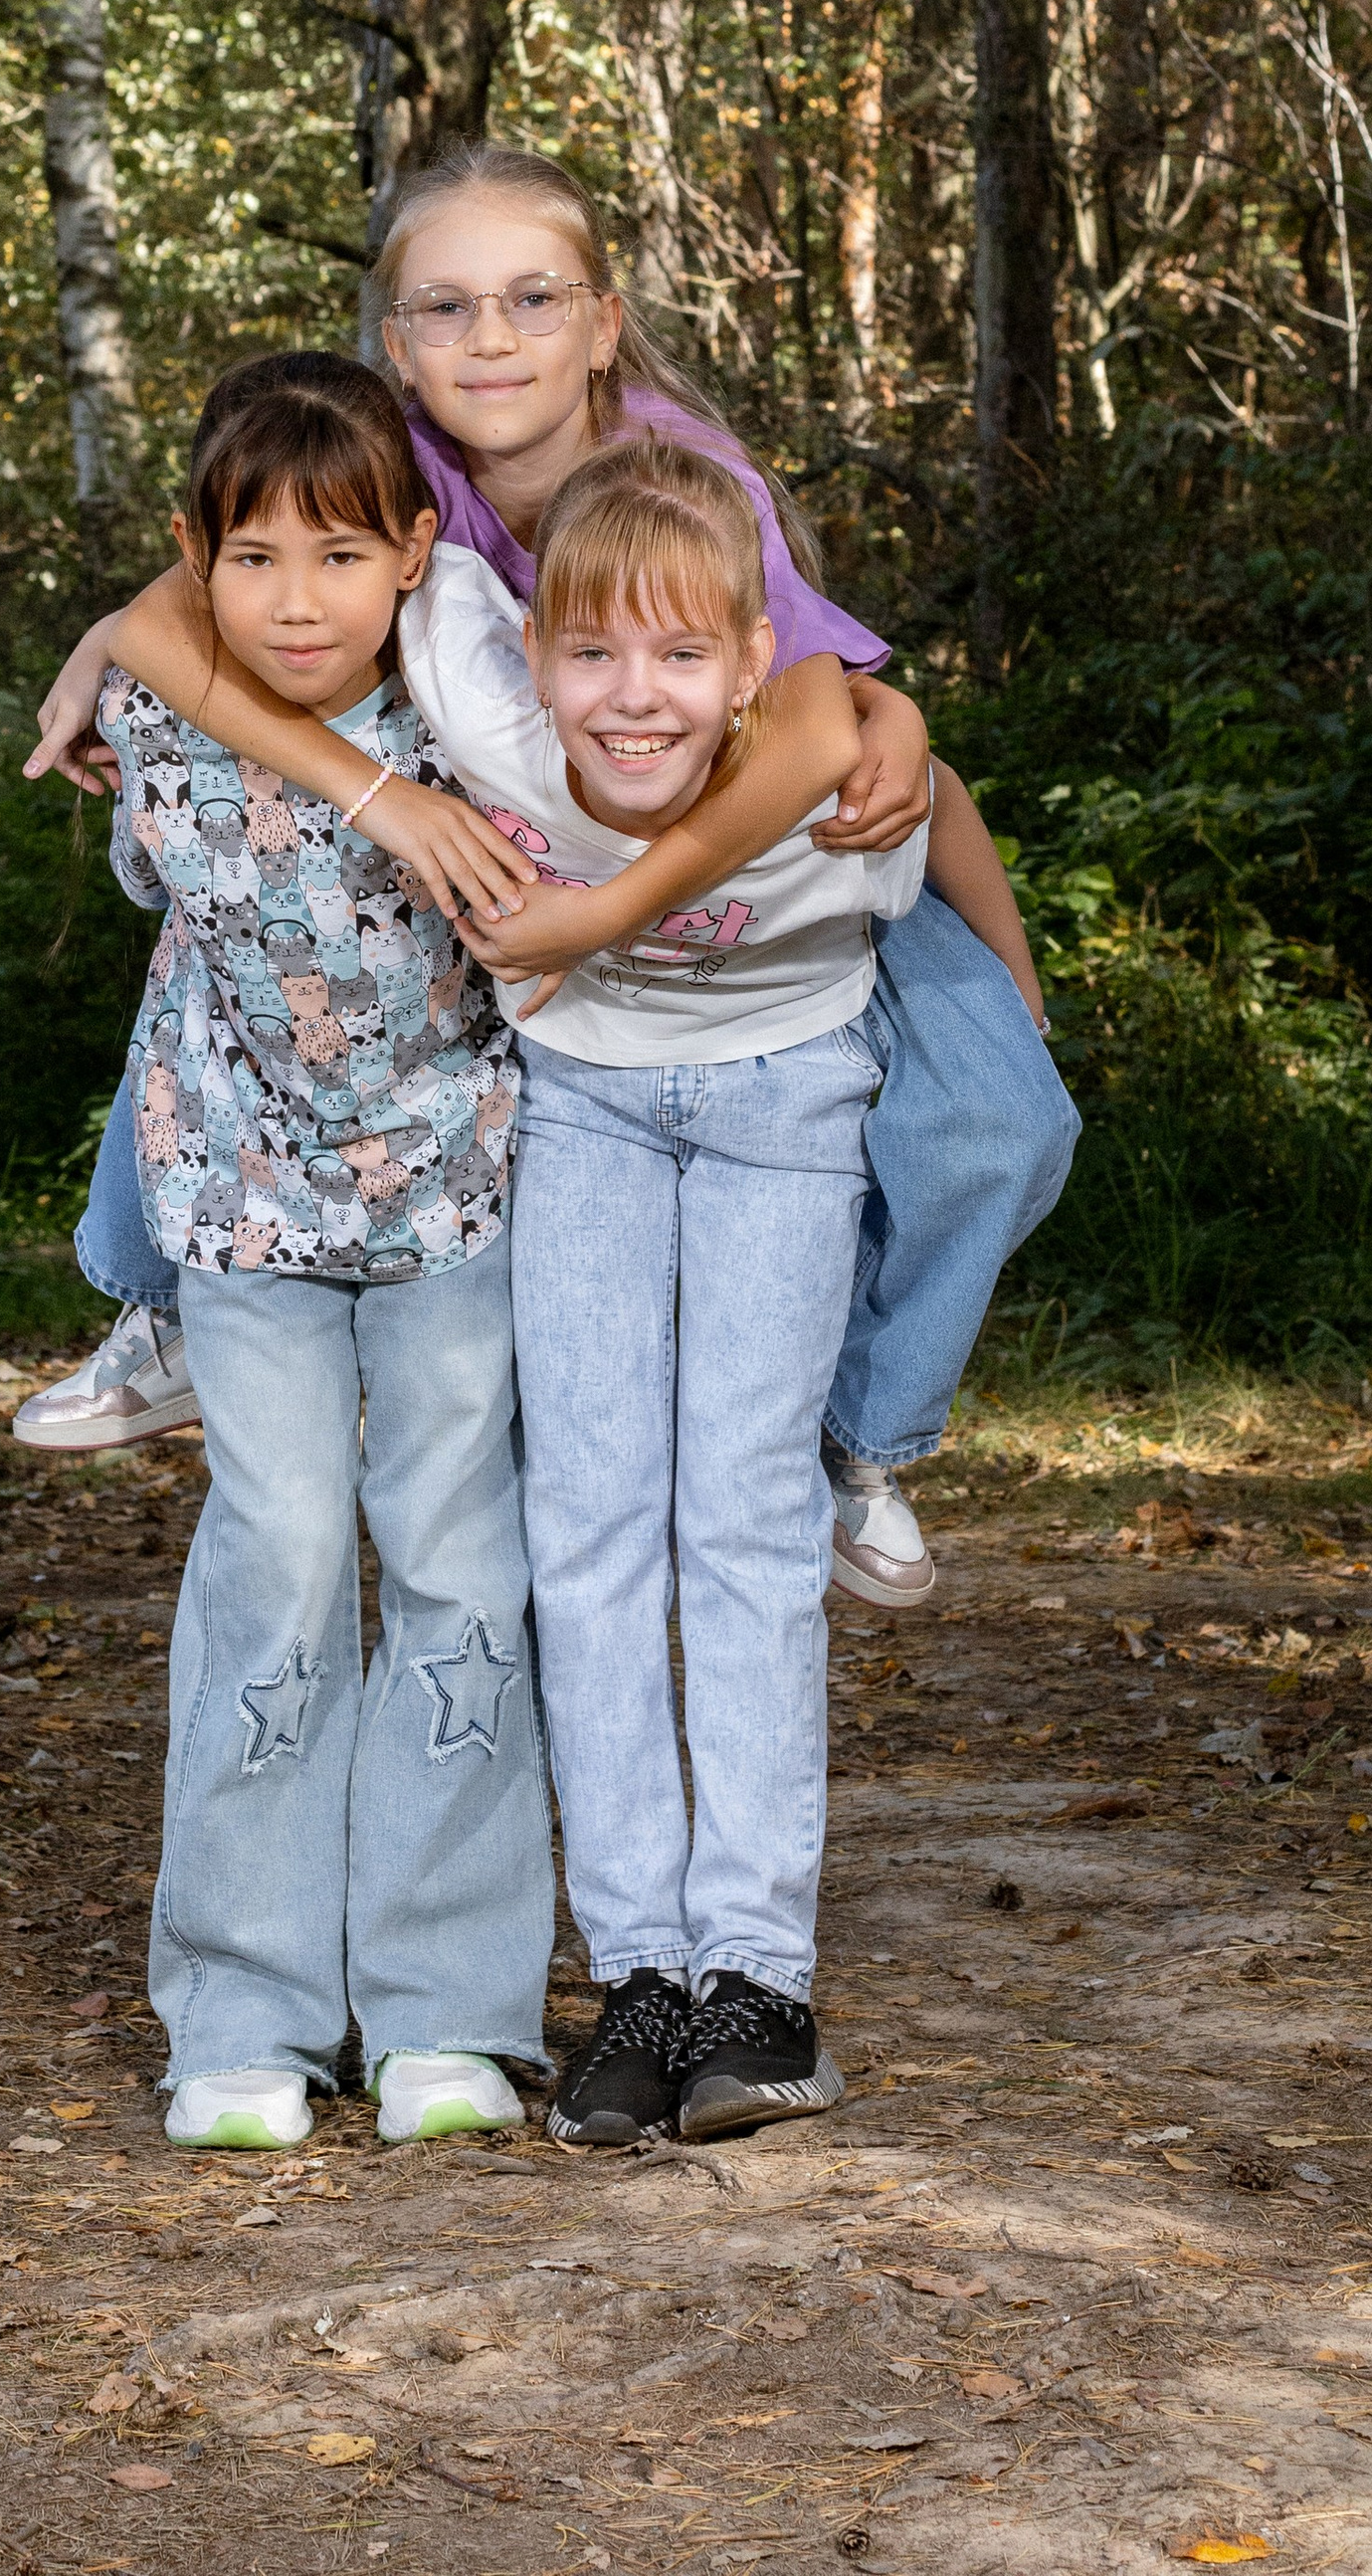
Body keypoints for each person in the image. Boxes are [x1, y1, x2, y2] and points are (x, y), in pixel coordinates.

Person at [24, 144, 1078, 1607]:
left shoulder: (679, 475)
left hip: (769, 865)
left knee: (1008, 1113)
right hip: (538, 859)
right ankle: (170, 1305)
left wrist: (650, 899)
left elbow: (840, 733)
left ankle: (855, 1431)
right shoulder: (406, 469)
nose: (491, 339)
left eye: (531, 299)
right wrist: (308, 753)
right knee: (241, 906)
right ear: (397, 343)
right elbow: (175, 603)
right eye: (446, 309)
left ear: (602, 319)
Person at [400, 436, 977, 2142]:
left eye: (679, 656)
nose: (630, 698)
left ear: (751, 672)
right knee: (585, 1522)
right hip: (579, 1108)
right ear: (533, 658)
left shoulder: (830, 782)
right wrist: (93, 655)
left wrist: (906, 728)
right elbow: (256, 564)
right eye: (590, 652)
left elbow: (922, 813)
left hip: (786, 1118)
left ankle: (758, 1981)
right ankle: (640, 1972)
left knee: (738, 1519)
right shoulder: (487, 702)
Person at [87, 349, 552, 2153]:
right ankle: (245, 2012)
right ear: (195, 560)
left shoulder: (477, 721)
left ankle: (446, 2009)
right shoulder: (155, 712)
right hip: (242, 1207)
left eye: (341, 557)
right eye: (254, 558)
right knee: (273, 1563)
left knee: (455, 1566)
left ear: (417, 557)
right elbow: (155, 814)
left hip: (454, 1200)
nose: (298, 600)